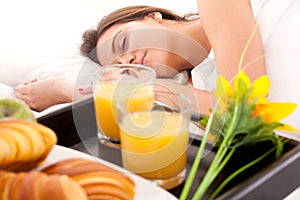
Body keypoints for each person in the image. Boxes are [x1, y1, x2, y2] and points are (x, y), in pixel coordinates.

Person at [15, 0, 300, 137]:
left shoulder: (218, 3)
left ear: (154, 17)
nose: (128, 60)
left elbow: (243, 115)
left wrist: (68, 90)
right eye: (121, 66)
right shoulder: (194, 85)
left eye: (123, 41)